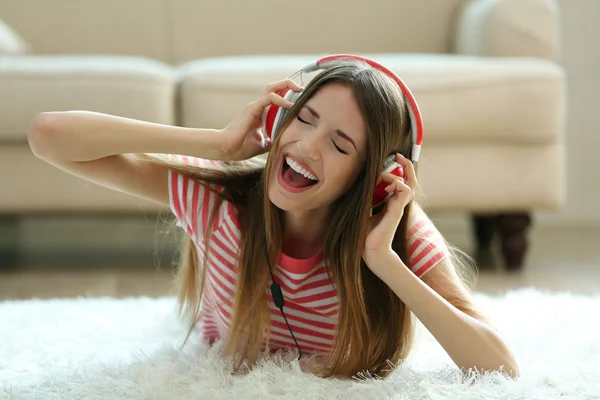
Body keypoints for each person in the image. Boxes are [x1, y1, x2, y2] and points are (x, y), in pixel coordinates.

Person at [27, 56, 519, 380]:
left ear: (371, 182)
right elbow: (48, 136)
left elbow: (500, 368)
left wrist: (382, 260)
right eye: (303, 119)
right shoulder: (220, 202)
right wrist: (216, 145)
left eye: (340, 144)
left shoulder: (395, 234)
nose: (305, 146)